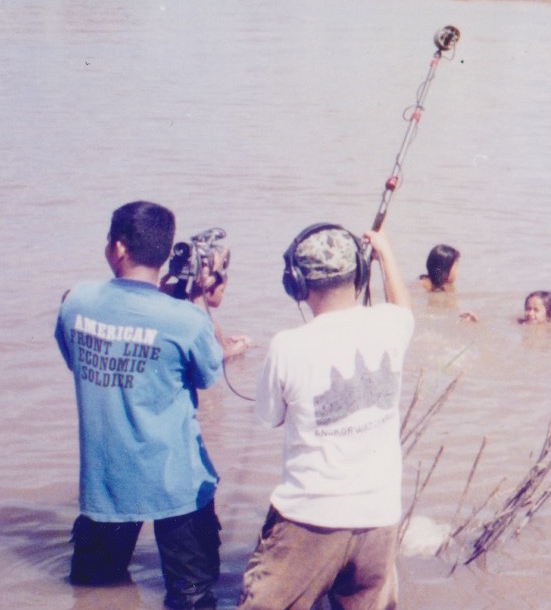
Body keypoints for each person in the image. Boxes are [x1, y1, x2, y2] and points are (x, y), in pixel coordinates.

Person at [55, 201, 226, 610]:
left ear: (117, 248)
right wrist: (198, 300)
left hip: (107, 484)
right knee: (193, 598)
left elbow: (78, 362)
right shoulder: (186, 320)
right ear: (166, 253)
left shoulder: (75, 302)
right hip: (179, 484)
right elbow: (208, 375)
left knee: (94, 594)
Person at [242, 224, 412, 610]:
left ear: (297, 284)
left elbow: (269, 417)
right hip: (380, 520)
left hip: (309, 520)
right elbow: (405, 309)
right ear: (360, 273)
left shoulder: (288, 346)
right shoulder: (393, 325)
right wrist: (385, 251)